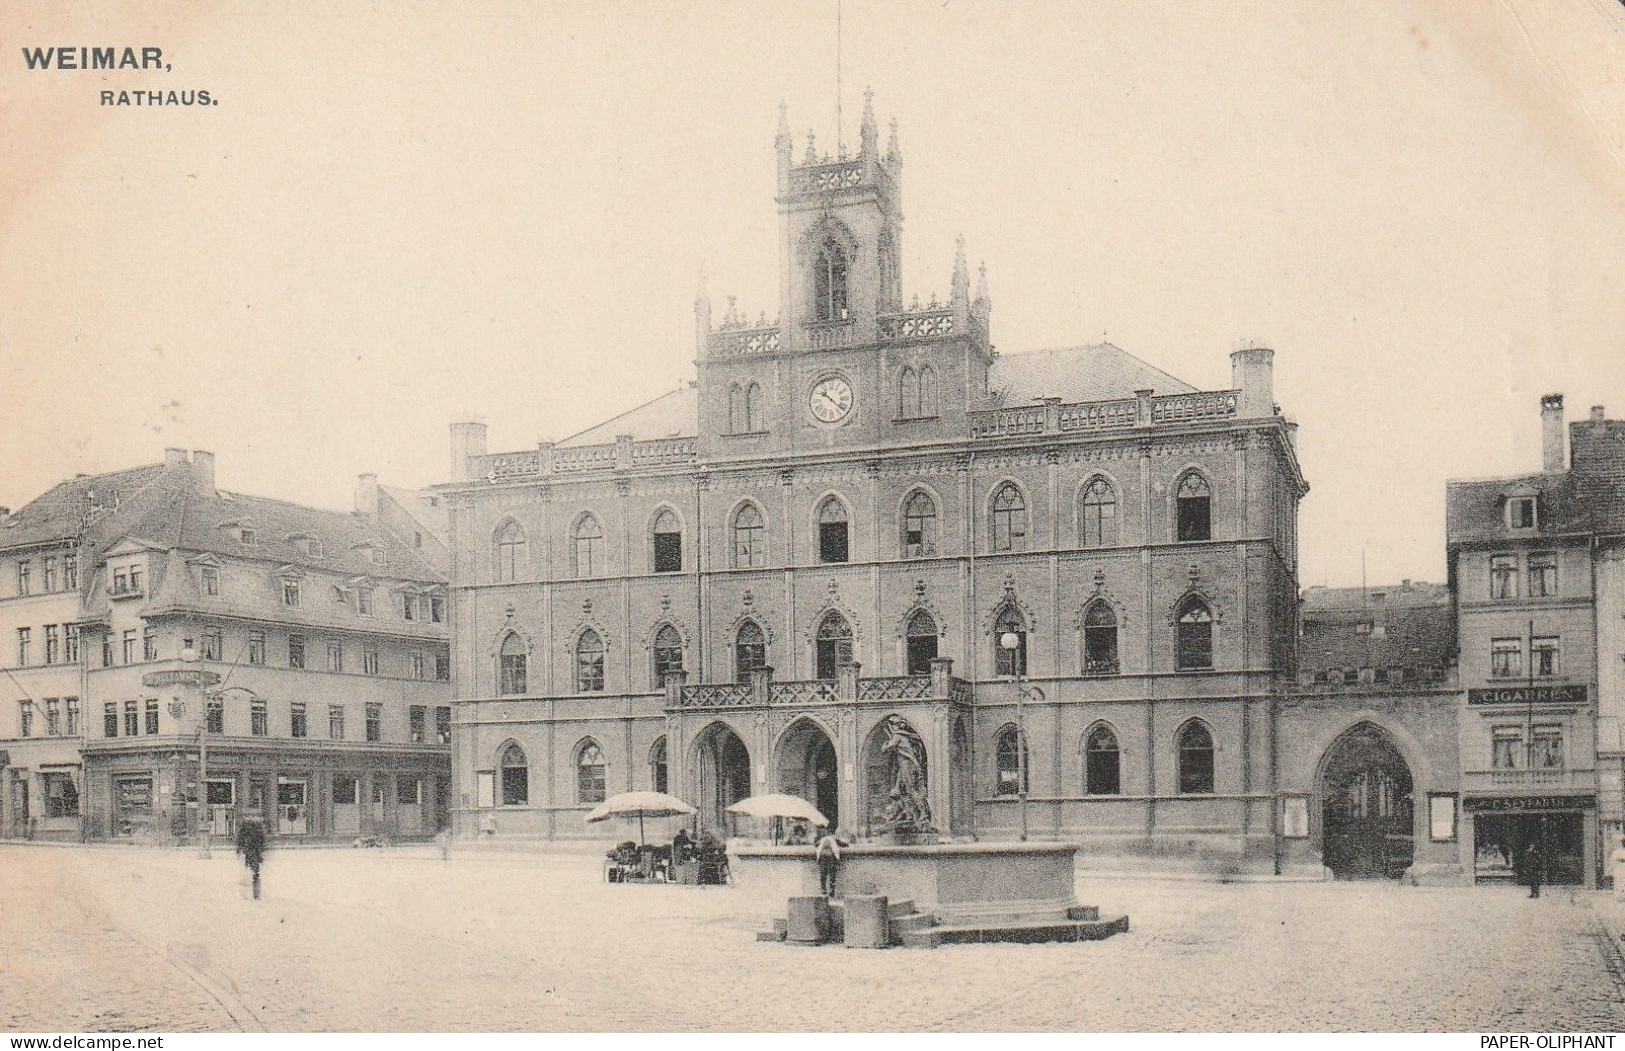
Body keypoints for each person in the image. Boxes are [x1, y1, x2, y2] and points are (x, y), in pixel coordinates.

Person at [235, 815, 267, 900]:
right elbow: (262, 841)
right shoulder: (256, 828)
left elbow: (240, 839)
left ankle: (248, 893)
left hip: (250, 852)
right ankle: (255, 893)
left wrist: (239, 849)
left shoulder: (245, 828)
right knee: (255, 872)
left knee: (250, 872)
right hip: (254, 852)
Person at [815, 826, 845, 898]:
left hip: (822, 856)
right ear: (833, 833)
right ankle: (832, 890)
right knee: (832, 874)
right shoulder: (834, 838)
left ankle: (823, 890)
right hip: (831, 856)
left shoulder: (823, 839)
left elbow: (816, 845)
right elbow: (844, 844)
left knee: (823, 873)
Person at [1611, 836, 1625, 901]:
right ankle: (1619, 897)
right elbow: (1613, 860)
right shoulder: (1617, 851)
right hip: (1620, 868)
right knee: (1619, 883)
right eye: (1623, 842)